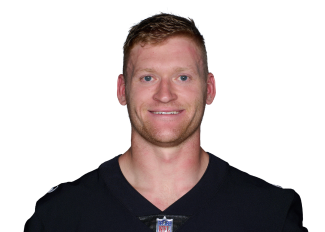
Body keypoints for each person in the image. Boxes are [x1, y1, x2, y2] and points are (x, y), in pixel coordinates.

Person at [24, 10, 308, 231]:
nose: (164, 94)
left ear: (209, 89)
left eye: (182, 77)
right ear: (122, 90)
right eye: (148, 77)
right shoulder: (59, 216)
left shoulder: (271, 213)